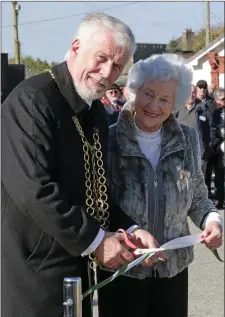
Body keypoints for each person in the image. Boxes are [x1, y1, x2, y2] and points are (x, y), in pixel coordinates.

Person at [1, 12, 156, 317]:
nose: (106, 73)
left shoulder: (94, 110)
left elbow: (96, 189)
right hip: (35, 273)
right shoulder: (32, 102)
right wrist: (96, 240)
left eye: (117, 66)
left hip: (76, 269)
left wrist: (129, 228)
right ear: (75, 47)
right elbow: (35, 191)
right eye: (101, 58)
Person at [97, 54, 223, 317]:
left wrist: (212, 221)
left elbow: (198, 196)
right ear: (135, 90)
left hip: (172, 271)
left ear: (175, 102)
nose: (154, 105)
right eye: (149, 94)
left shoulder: (187, 139)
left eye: (165, 99)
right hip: (124, 269)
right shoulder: (109, 140)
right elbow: (99, 204)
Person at [207, 87, 225, 208]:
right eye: (222, 99)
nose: (224, 102)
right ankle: (206, 201)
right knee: (206, 175)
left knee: (219, 174)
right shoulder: (208, 109)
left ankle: (220, 200)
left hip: (219, 148)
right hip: (208, 147)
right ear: (215, 99)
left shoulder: (222, 112)